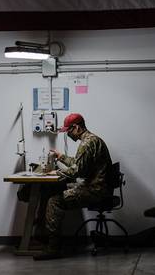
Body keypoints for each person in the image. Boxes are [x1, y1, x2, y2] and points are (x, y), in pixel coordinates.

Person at [34, 112, 113, 261]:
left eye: (68, 131)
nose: (68, 134)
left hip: (95, 190)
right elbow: (80, 165)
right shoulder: (92, 140)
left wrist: (55, 172)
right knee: (53, 190)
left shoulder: (87, 143)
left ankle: (53, 248)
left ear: (76, 127)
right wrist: (61, 156)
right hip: (99, 187)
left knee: (54, 201)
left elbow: (78, 171)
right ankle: (45, 238)